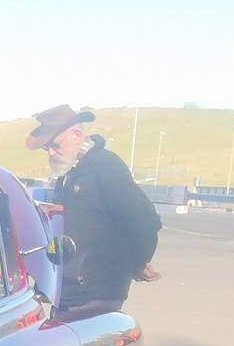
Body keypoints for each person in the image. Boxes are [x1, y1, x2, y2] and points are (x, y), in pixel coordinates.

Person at [25, 105, 161, 315]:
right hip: (68, 291)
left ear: (77, 135)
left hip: (96, 292)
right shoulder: (70, 173)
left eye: (55, 145)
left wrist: (139, 261)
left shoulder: (105, 166)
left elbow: (144, 220)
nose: (51, 152)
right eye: (47, 148)